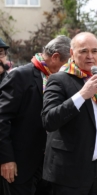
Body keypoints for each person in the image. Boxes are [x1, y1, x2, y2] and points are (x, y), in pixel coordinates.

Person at [41, 32, 97, 195]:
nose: (90, 56)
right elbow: (49, 120)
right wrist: (82, 95)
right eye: (83, 51)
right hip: (71, 170)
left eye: (94, 51)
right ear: (72, 54)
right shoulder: (58, 80)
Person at [0, 35, 71, 195]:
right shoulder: (20, 76)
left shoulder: (62, 80)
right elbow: (2, 119)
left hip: (50, 166)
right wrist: (6, 159)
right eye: (67, 63)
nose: (69, 68)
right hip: (20, 166)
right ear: (55, 57)